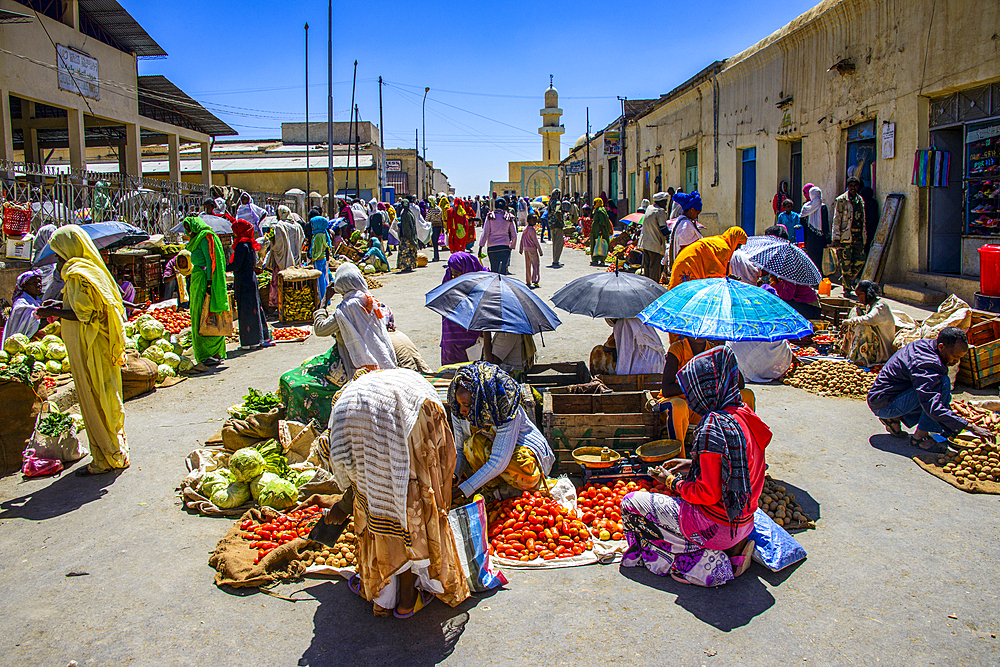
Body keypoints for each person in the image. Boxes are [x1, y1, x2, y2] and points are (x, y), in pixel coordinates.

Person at [305, 368, 470, 617]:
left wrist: (346, 502)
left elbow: (352, 470)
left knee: (382, 506)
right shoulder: (396, 385)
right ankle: (407, 600)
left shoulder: (344, 409)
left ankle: (387, 595)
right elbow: (442, 452)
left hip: (400, 418)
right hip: (414, 421)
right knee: (409, 506)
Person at [622, 347, 770, 586]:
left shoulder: (713, 426)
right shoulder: (744, 415)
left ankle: (702, 561)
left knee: (630, 504)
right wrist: (692, 463)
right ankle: (734, 552)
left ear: (706, 388)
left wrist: (671, 481)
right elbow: (735, 463)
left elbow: (706, 493)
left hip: (714, 528)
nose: (691, 398)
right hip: (743, 521)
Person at [34, 225, 130, 476]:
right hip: (97, 346)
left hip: (90, 349)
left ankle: (106, 457)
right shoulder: (91, 269)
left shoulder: (77, 274)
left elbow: (83, 313)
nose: (57, 258)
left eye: (58, 253)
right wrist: (59, 304)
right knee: (107, 396)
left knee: (94, 398)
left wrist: (51, 312)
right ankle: (115, 449)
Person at [868, 328, 994, 452]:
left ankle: (893, 420)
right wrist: (969, 426)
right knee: (942, 383)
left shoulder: (926, 345)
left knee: (935, 390)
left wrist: (952, 425)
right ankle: (919, 439)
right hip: (884, 404)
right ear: (941, 347)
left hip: (884, 398)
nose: (956, 361)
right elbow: (931, 406)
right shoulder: (927, 362)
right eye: (955, 357)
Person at [449, 361, 555, 498]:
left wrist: (462, 491)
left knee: (518, 462)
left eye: (467, 405)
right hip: (496, 459)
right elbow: (459, 449)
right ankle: (495, 489)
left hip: (523, 458)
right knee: (470, 446)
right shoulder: (458, 411)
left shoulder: (505, 411)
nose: (461, 410)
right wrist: (454, 476)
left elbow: (499, 461)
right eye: (459, 403)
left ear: (481, 402)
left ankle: (524, 489)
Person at [313, 263, 397, 377]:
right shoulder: (368, 299)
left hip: (359, 365)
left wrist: (323, 302)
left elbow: (320, 329)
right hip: (382, 357)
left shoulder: (348, 308)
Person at [227, 220, 272, 350]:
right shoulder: (249, 244)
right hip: (250, 279)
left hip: (243, 280)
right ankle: (257, 338)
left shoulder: (241, 246)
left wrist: (222, 266)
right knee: (253, 308)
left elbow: (237, 265)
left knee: (246, 310)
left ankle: (249, 341)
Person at [440, 252, 486, 365]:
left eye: (458, 274)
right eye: (453, 274)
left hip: (472, 341)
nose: (455, 278)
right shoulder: (448, 283)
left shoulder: (481, 286)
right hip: (451, 341)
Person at [668, 227, 748, 290]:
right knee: (685, 294)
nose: (737, 248)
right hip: (689, 264)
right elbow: (716, 272)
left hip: (685, 260)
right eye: (738, 245)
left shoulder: (720, 242)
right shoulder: (724, 248)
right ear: (735, 240)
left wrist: (729, 276)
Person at [841, 280, 895, 366]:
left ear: (866, 293)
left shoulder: (881, 306)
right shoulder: (871, 306)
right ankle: (847, 351)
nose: (858, 299)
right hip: (875, 344)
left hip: (882, 351)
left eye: (859, 295)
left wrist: (848, 322)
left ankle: (859, 360)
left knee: (861, 327)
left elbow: (869, 319)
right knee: (855, 311)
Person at [832, 177, 868, 291]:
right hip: (845, 236)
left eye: (855, 185)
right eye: (851, 185)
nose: (853, 188)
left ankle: (847, 279)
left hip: (858, 235)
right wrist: (836, 237)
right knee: (845, 263)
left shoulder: (860, 200)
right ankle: (847, 288)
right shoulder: (841, 200)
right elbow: (837, 219)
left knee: (860, 260)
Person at [2, 269, 44, 343]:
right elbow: (23, 327)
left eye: (39, 282)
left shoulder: (38, 301)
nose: (39, 285)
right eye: (34, 283)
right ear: (25, 286)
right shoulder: (21, 304)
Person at [667, 191, 705, 269]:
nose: (696, 216)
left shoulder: (680, 222)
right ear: (692, 210)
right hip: (686, 268)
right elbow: (686, 249)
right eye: (697, 213)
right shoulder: (686, 225)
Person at [479, 199, 517, 275]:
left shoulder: (490, 216)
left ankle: (494, 286)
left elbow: (485, 233)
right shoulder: (508, 217)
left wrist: (481, 247)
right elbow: (514, 234)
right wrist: (511, 246)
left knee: (494, 270)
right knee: (503, 271)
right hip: (505, 247)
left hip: (492, 247)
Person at [639, 192, 669, 282]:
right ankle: (653, 287)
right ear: (661, 202)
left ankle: (647, 287)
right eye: (665, 202)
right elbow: (663, 229)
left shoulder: (649, 208)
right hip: (655, 244)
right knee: (655, 269)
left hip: (646, 243)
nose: (666, 204)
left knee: (647, 268)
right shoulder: (660, 211)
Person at [800, 183, 830, 272]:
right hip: (819, 238)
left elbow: (802, 222)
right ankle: (818, 278)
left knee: (811, 259)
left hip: (809, 238)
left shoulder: (806, 207)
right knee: (819, 259)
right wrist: (827, 239)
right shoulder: (822, 207)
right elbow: (825, 224)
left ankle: (811, 277)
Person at [310, 214, 332, 296]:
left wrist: (313, 258)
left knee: (320, 281)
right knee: (323, 278)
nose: (312, 227)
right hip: (322, 258)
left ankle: (321, 297)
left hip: (318, 260)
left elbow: (318, 250)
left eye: (313, 224)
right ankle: (326, 297)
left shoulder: (318, 236)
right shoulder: (323, 234)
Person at [519, 213, 542, 287]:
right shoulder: (532, 230)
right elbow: (535, 241)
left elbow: (522, 239)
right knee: (535, 265)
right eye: (533, 219)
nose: (535, 221)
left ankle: (528, 280)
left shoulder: (525, 229)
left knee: (528, 265)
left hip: (526, 249)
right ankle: (535, 280)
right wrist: (540, 250)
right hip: (532, 249)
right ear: (528, 220)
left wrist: (521, 249)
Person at [590, 197, 613, 266]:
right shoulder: (597, 210)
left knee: (598, 245)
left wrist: (600, 231)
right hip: (596, 231)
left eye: (595, 203)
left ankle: (599, 259)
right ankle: (597, 260)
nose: (594, 204)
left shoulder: (600, 211)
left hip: (599, 231)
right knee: (598, 245)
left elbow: (602, 222)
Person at [396, 201, 418, 272]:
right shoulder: (410, 212)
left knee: (405, 252)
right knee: (409, 251)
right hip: (410, 235)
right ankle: (409, 265)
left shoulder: (405, 214)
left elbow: (407, 227)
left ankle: (406, 266)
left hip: (406, 236)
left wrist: (408, 237)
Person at [547, 189, 565, 268]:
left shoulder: (550, 202)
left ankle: (555, 259)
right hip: (557, 225)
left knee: (554, 244)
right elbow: (557, 212)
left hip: (551, 225)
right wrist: (561, 221)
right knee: (559, 244)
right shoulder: (557, 202)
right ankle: (556, 261)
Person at [426, 196, 443, 262]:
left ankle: (436, 256)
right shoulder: (439, 209)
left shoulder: (430, 210)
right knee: (436, 241)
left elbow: (427, 219)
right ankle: (437, 256)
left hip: (433, 226)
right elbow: (441, 218)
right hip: (439, 226)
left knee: (434, 242)